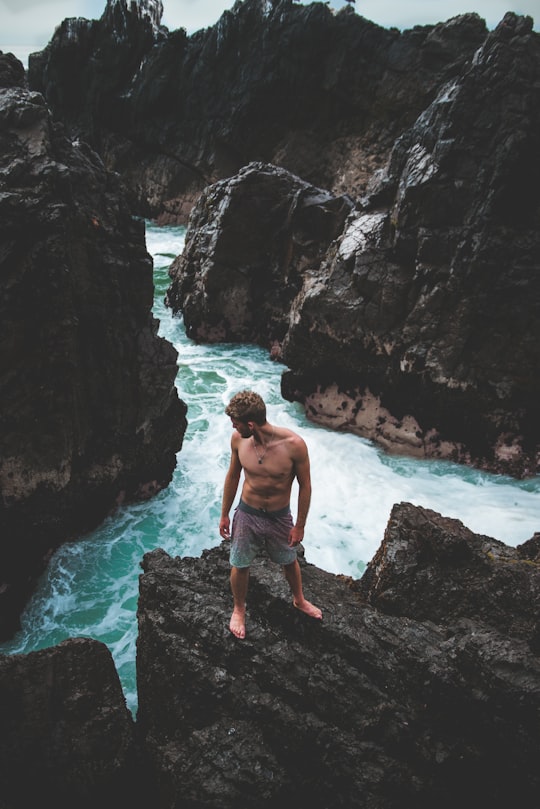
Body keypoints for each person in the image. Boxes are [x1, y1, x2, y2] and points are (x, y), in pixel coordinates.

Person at [219, 390, 322, 638]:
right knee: (239, 563)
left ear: (251, 424)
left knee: (289, 560)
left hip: (279, 516)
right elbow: (233, 477)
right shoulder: (238, 440)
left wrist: (300, 525)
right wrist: (224, 514)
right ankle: (239, 609)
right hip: (247, 513)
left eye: (236, 422)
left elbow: (305, 485)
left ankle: (299, 599)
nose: (233, 426)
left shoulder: (294, 446)